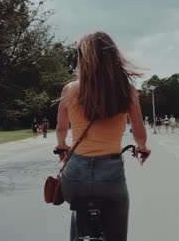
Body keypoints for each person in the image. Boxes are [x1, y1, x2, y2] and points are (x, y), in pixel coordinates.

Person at [55, 31, 151, 241]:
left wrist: (62, 147)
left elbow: (61, 130)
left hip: (75, 176)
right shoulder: (127, 90)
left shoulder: (70, 90)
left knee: (77, 210)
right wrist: (141, 147)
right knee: (118, 223)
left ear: (82, 58)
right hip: (110, 175)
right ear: (113, 57)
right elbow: (138, 131)